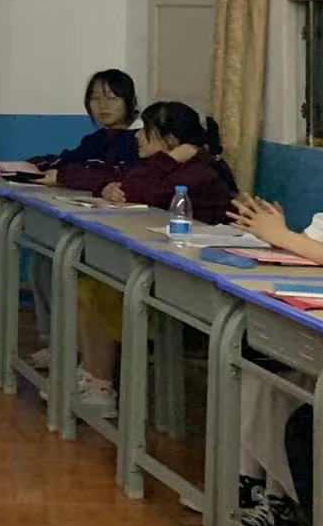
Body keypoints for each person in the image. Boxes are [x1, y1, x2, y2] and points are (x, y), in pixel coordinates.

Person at [227, 90, 323, 526]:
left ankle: (283, 498)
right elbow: (314, 245)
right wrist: (277, 235)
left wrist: (288, 239)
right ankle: (258, 485)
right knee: (259, 359)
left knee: (286, 381)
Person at [58, 101, 237, 419]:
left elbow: (134, 189)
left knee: (95, 288)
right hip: (168, 266)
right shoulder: (171, 167)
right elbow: (127, 182)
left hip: (193, 283)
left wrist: (167, 160)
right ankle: (92, 376)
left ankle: (100, 388)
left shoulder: (200, 172)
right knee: (89, 281)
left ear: (170, 140)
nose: (137, 137)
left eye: (146, 131)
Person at [18, 69, 141, 368]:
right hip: (93, 223)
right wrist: (30, 166)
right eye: (95, 98)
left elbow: (113, 177)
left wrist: (67, 175)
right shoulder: (95, 139)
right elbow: (68, 161)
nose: (103, 106)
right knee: (43, 260)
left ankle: (80, 353)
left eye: (112, 98)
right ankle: (57, 342)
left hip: (123, 233)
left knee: (67, 265)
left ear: (129, 101)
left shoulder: (136, 139)